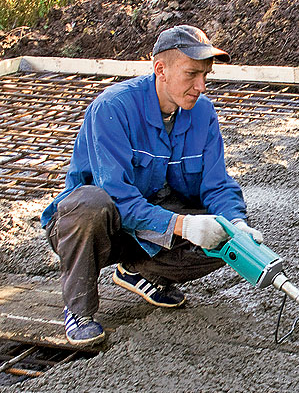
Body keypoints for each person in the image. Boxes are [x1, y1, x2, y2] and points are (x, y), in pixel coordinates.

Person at [40, 25, 262, 347]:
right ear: (161, 69)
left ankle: (141, 273)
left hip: (147, 230)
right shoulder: (113, 109)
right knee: (89, 205)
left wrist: (237, 224)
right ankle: (79, 311)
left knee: (224, 237)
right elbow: (116, 195)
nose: (201, 86)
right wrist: (182, 225)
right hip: (95, 229)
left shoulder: (203, 113)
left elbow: (217, 184)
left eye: (205, 75)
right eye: (191, 74)